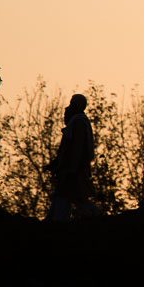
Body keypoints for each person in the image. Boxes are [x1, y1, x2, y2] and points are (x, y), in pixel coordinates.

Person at [45, 93, 102, 221]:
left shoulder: (78, 122)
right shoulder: (76, 122)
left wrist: (72, 169)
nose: (68, 107)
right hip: (72, 168)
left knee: (67, 196)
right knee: (75, 197)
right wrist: (55, 164)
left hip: (74, 169)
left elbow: (77, 148)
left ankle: (57, 220)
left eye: (72, 103)